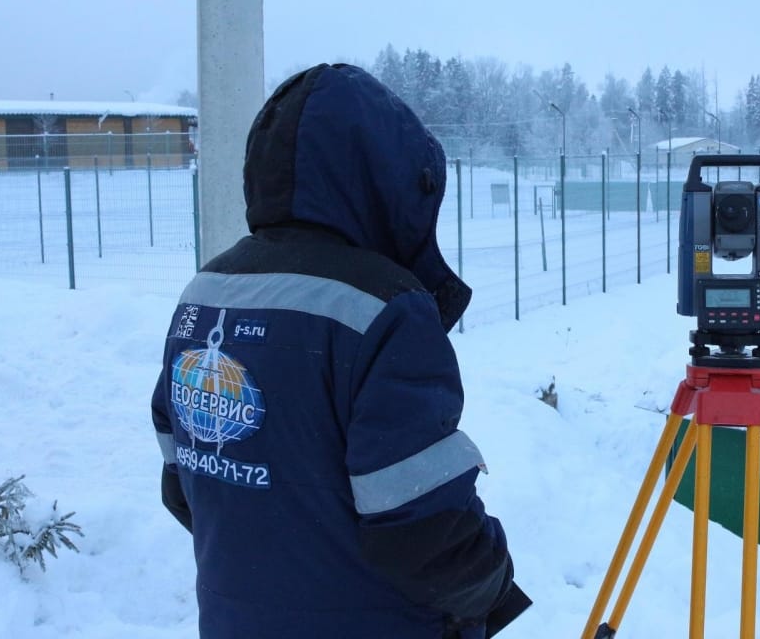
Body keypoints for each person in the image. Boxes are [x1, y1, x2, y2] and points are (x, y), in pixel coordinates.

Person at [150, 64, 529, 638]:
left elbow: (186, 481)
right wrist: (494, 582)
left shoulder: (205, 295)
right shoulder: (384, 308)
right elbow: (426, 530)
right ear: (389, 182)